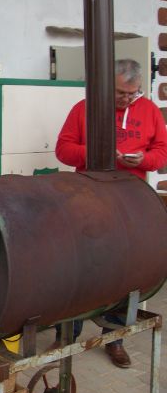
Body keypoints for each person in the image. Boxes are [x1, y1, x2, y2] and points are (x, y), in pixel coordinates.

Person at [54, 58, 167, 368]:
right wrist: (96, 152)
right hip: (87, 199)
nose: (127, 100)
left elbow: (162, 152)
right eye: (120, 94)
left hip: (130, 203)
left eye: (133, 94)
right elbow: (63, 149)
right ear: (106, 86)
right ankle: (67, 333)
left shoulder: (150, 111)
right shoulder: (83, 108)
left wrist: (142, 159)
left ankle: (114, 338)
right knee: (81, 267)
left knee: (124, 271)